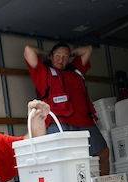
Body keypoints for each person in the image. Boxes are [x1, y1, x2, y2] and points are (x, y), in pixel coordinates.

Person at [24, 43, 110, 175]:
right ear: (51, 57)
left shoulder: (76, 70)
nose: (61, 59)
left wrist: (72, 53)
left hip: (84, 121)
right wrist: (46, 52)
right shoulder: (43, 72)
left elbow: (88, 49)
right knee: (63, 161)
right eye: (57, 56)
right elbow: (28, 50)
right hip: (58, 123)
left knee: (103, 154)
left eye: (65, 57)